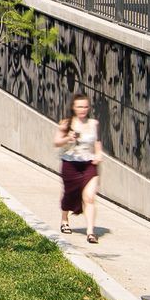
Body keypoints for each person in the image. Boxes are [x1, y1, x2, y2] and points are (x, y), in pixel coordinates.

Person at [54, 93, 104, 243]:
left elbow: (97, 142)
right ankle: (64, 219)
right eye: (79, 107)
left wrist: (99, 153)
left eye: (85, 107)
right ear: (73, 107)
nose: (83, 110)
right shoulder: (66, 123)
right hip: (70, 163)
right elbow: (56, 142)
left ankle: (90, 232)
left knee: (89, 197)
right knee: (70, 194)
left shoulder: (94, 123)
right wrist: (68, 138)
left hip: (89, 164)